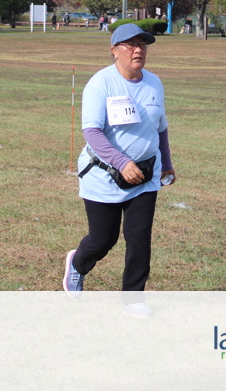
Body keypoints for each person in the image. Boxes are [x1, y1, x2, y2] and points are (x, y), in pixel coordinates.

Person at [64, 24, 176, 317]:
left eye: (143, 45)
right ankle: (78, 263)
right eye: (130, 45)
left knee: (139, 238)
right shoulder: (101, 83)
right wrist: (122, 162)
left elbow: (160, 127)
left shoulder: (154, 83)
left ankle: (133, 299)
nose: (138, 50)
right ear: (114, 51)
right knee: (103, 239)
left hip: (145, 176)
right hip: (104, 174)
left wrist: (165, 163)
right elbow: (92, 132)